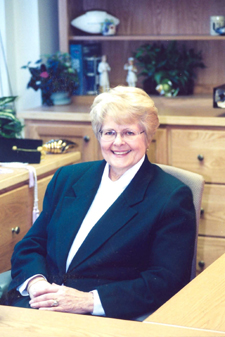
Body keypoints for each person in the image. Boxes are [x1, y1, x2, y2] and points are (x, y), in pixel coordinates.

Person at [3, 86, 196, 320]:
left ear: (147, 137)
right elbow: (32, 243)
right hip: (36, 304)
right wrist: (36, 283)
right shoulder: (67, 178)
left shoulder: (171, 197)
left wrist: (88, 301)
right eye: (109, 133)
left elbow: (165, 281)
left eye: (129, 133)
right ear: (99, 135)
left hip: (99, 317)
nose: (118, 142)